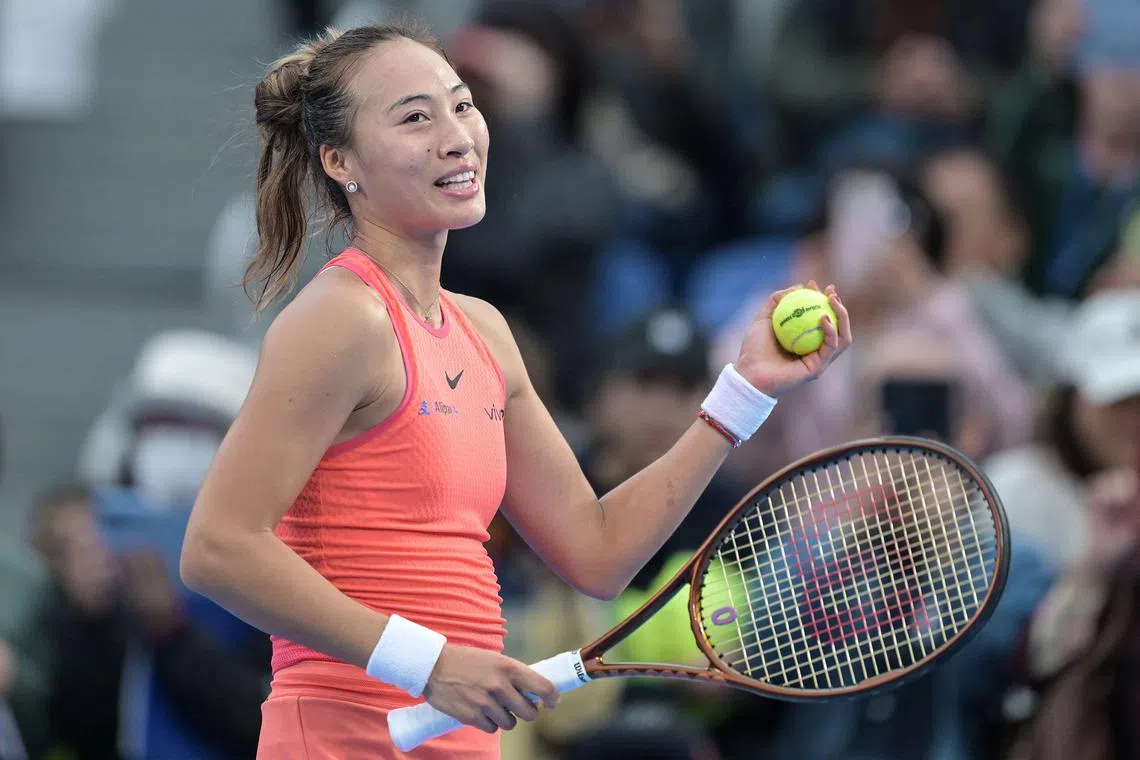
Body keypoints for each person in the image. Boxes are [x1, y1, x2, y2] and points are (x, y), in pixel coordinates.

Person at [177, 23, 852, 759]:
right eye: (414, 117)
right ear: (341, 161)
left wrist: (742, 394)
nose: (456, 135)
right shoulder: (342, 318)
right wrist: (428, 663)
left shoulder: (485, 333)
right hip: (342, 736)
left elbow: (597, 553)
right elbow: (218, 548)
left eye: (462, 106)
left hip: (459, 740)